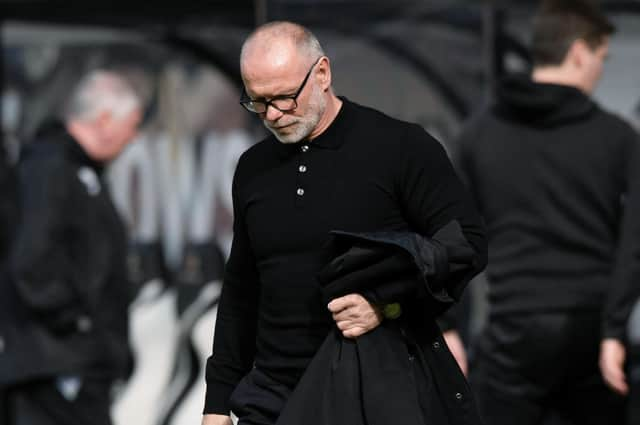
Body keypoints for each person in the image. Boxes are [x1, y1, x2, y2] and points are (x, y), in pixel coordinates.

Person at [201, 21, 487, 425]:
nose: (275, 115)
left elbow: (467, 244)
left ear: (322, 74)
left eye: (285, 97)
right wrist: (216, 403)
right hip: (268, 397)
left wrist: (386, 303)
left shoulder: (401, 147)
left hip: (368, 391)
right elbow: (241, 289)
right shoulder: (253, 168)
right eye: (258, 102)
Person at [451, 0, 640, 424]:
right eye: (600, 58)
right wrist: (614, 330)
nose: (599, 71)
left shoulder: (478, 135)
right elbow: (635, 240)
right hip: (591, 333)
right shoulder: (617, 137)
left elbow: (450, 235)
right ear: (577, 53)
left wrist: (446, 325)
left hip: (513, 327)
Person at [0, 70, 142, 425]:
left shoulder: (77, 171)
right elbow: (31, 264)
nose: (133, 137)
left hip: (75, 362)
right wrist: (79, 323)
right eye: (132, 124)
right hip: (56, 364)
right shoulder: (50, 169)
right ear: (105, 119)